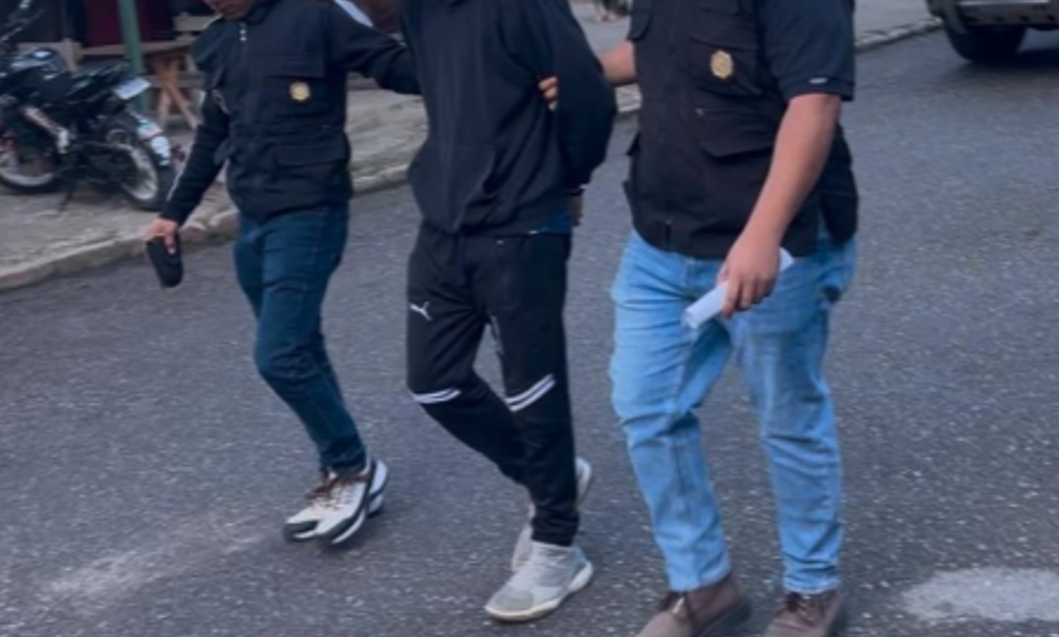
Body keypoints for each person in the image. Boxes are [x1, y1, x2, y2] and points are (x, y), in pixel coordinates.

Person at [573, 0, 859, 635]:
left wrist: (763, 234)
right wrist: (577, 71)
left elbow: (814, 104)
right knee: (646, 405)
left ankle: (813, 589)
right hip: (663, 236)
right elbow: (656, 48)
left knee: (787, 416)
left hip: (772, 242)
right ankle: (703, 585)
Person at [144, 0, 418, 548]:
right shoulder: (217, 41)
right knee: (302, 348)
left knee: (280, 355)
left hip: (310, 212)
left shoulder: (315, 15)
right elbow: (213, 135)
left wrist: (485, 70)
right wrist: (173, 213)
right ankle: (339, 471)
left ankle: (355, 467)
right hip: (253, 221)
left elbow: (396, 66)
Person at [399, 0, 616, 623]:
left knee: (532, 391)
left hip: (523, 220)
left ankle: (557, 545)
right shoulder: (419, 11)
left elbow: (588, 96)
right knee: (434, 384)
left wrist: (568, 181)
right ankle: (552, 477)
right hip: (444, 220)